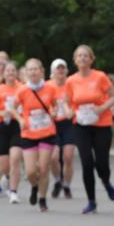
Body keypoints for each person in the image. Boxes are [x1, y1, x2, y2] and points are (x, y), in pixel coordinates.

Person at [66, 45, 114, 214]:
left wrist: (102, 108)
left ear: (91, 59)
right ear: (75, 60)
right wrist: (69, 112)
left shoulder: (100, 77)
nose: (82, 58)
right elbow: (67, 104)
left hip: (101, 124)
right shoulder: (71, 80)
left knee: (102, 162)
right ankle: (91, 201)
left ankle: (106, 181)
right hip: (81, 125)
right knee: (87, 162)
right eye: (79, 56)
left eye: (85, 56)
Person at [15, 59, 59, 212]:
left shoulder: (50, 89)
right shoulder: (22, 90)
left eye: (35, 69)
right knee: (31, 171)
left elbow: (56, 104)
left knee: (44, 167)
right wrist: (20, 119)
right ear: (26, 73)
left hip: (47, 132)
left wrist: (54, 112)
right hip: (29, 133)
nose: (33, 72)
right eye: (30, 70)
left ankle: (42, 199)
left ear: (41, 71)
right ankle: (34, 186)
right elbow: (13, 108)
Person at [0, 61, 24, 204]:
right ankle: (6, 177)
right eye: (8, 71)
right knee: (4, 163)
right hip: (2, 125)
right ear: (4, 73)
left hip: (16, 126)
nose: (10, 73)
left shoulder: (22, 88)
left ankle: (14, 192)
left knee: (15, 158)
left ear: (16, 73)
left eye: (13, 70)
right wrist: (1, 112)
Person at [47, 58, 76, 199]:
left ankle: (67, 185)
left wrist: (72, 110)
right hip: (52, 124)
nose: (61, 71)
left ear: (66, 71)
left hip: (69, 123)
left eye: (63, 68)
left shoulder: (72, 85)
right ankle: (58, 180)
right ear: (52, 72)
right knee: (53, 158)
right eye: (58, 69)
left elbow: (78, 102)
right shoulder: (47, 86)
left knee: (68, 157)